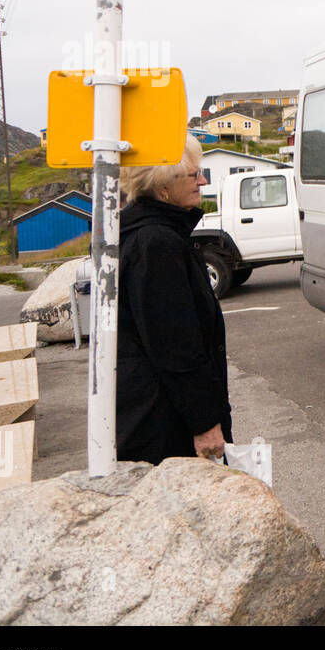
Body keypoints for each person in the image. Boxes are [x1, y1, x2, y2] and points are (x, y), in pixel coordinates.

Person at [117, 135, 231, 465]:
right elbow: (175, 346)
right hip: (167, 427)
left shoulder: (147, 234)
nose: (203, 181)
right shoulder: (157, 243)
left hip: (155, 417)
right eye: (193, 175)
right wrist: (205, 423)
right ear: (163, 186)